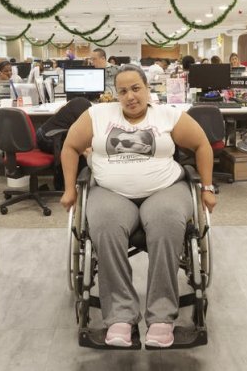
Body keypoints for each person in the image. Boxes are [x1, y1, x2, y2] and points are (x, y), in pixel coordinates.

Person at [60, 66, 216, 349]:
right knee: (105, 225)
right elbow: (70, 147)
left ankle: (160, 318)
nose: (130, 96)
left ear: (147, 89)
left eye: (136, 89)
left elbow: (202, 144)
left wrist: (206, 188)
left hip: (165, 189)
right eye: (122, 91)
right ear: (115, 94)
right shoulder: (97, 115)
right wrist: (70, 189)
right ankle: (120, 316)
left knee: (167, 223)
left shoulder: (167, 115)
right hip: (110, 192)